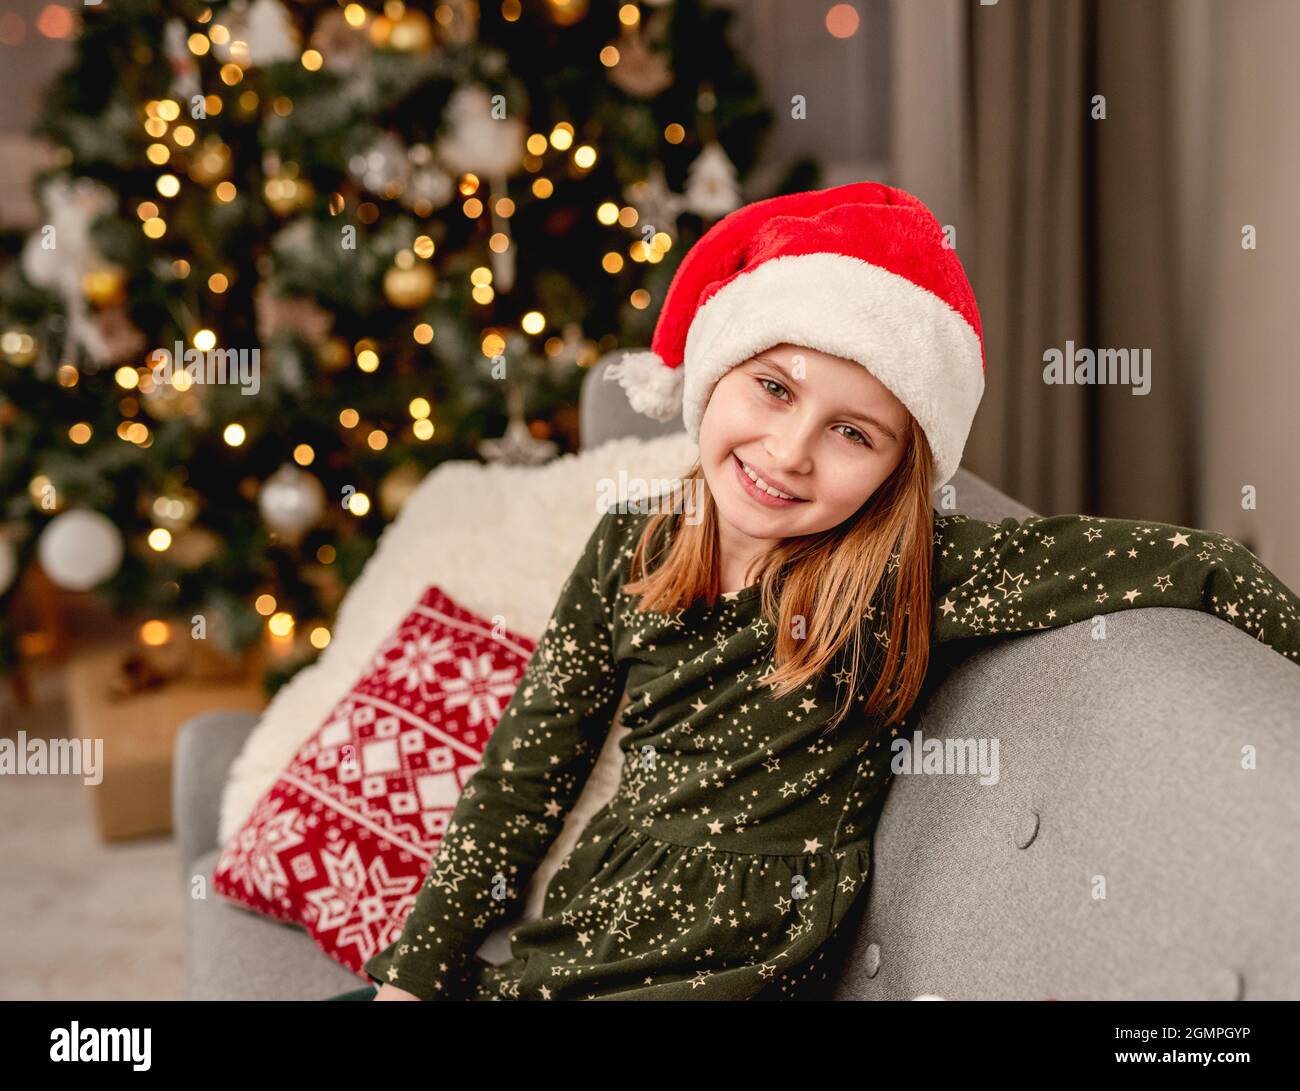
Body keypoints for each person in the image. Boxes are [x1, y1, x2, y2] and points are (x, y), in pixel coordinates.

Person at [327, 181, 1300, 1001]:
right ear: (714, 375)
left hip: (720, 980)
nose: (788, 453)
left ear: (895, 470)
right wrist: (413, 975)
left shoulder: (907, 570)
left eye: (853, 431)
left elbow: (1194, 559)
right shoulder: (633, 541)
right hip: (576, 945)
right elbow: (522, 773)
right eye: (775, 387)